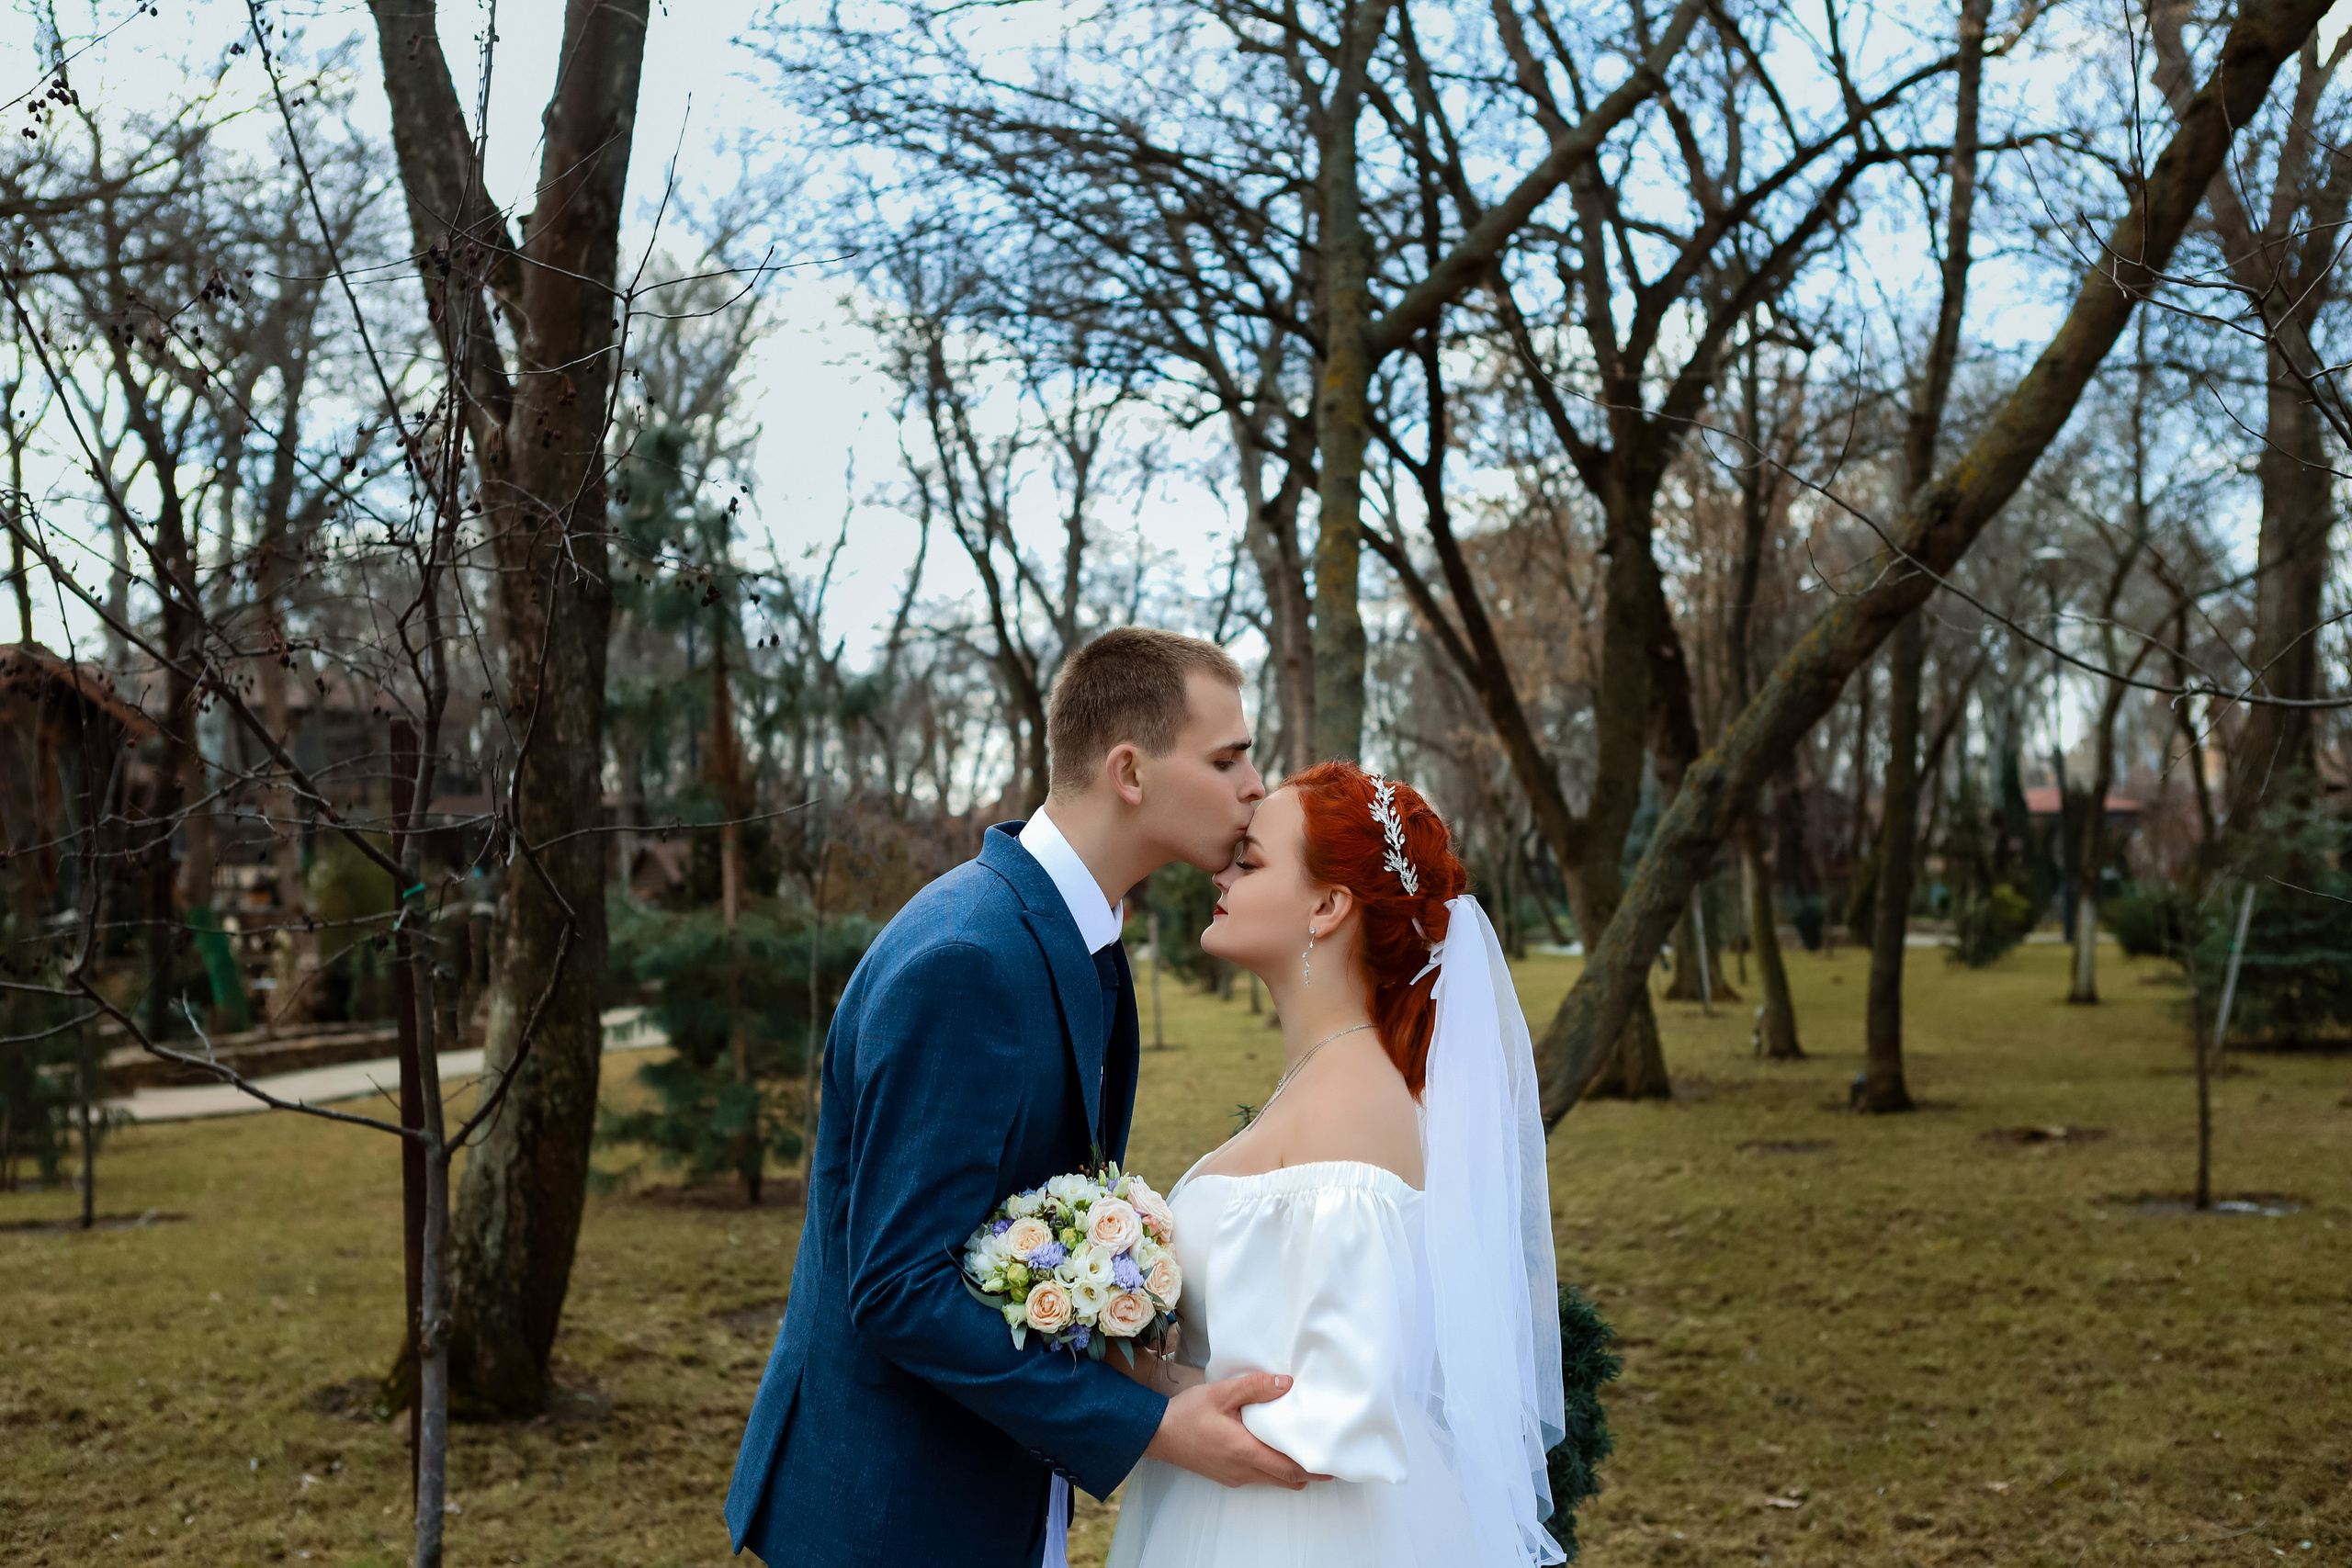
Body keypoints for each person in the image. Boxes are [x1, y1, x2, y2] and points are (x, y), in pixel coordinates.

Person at [724, 627, 1317, 1568]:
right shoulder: (968, 960)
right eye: (1227, 757)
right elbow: (898, 1288)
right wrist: (1151, 1426)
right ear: (1129, 771)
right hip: (894, 1514)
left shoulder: (1073, 936)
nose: (1255, 785)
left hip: (988, 1479)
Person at [1106, 761, 1567, 1567]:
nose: (1221, 871)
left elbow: (1323, 1423)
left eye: (1249, 862)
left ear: (1327, 906)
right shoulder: (1327, 1078)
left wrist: (1137, 1383)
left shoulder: (1350, 1108)